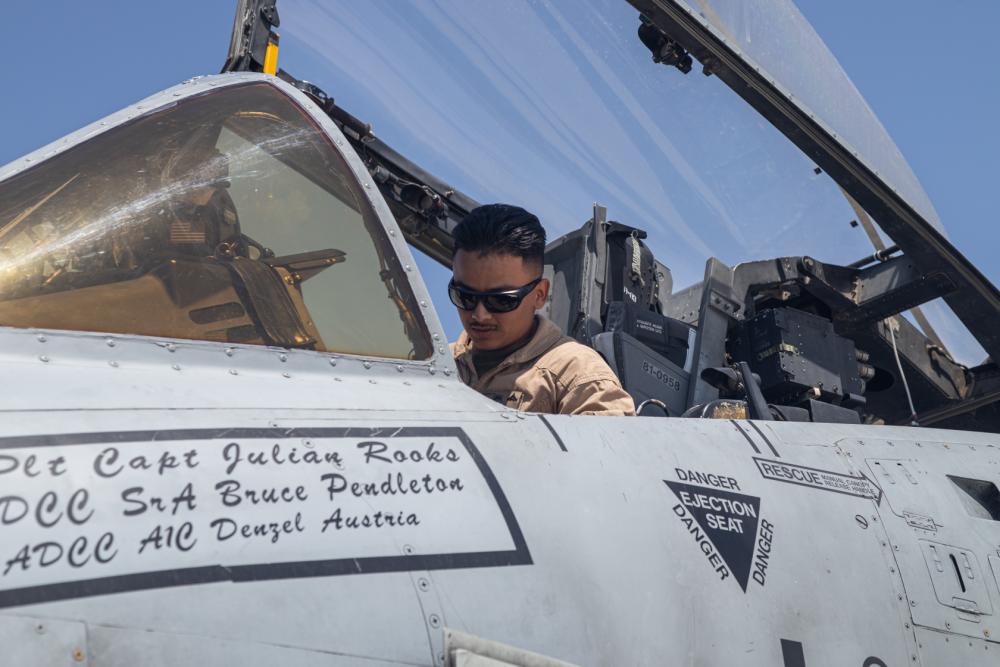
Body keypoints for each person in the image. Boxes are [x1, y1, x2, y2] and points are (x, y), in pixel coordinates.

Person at [449, 204, 635, 416]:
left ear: (539, 295)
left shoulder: (576, 375)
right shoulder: (430, 364)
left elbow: (612, 445)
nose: (480, 315)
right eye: (465, 296)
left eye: (501, 301)